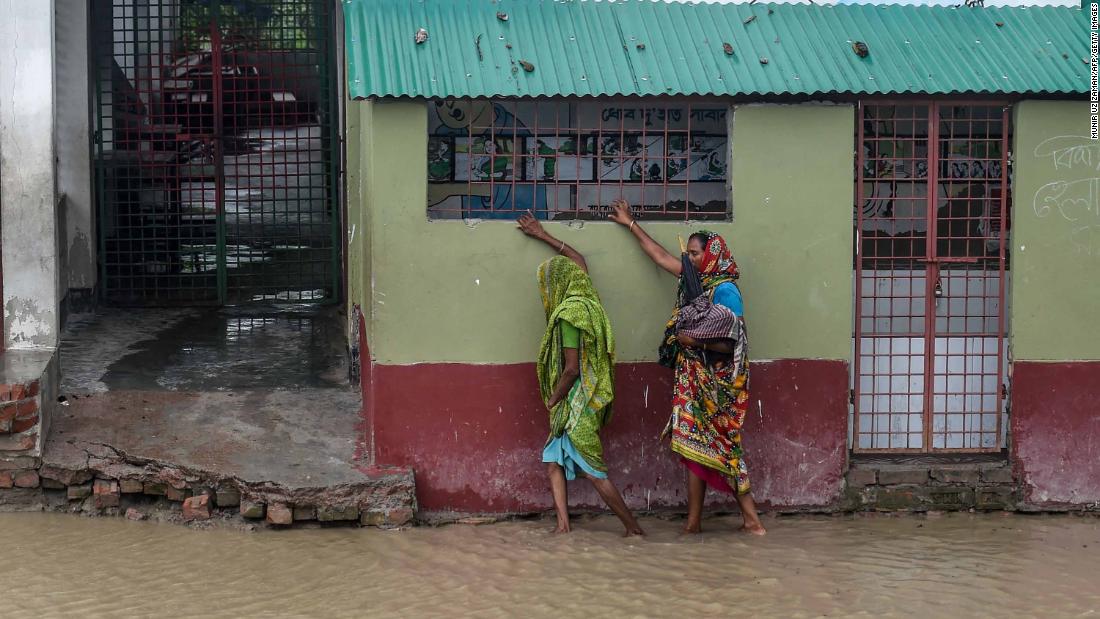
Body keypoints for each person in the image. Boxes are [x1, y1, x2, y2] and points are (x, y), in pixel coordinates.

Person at [609, 199, 766, 536]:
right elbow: (661, 256)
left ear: (711, 256)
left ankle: (752, 520)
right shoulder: (696, 284)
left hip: (718, 386)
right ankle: (693, 524)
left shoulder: (725, 291)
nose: (690, 259)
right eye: (690, 254)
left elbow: (731, 342)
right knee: (694, 447)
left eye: (695, 254)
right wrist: (630, 223)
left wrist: (695, 342)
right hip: (694, 380)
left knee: (726, 447)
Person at [516, 213, 645, 537]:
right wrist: (542, 234)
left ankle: (633, 528)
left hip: (576, 403)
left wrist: (553, 398)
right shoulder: (585, 295)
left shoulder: (569, 317)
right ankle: (563, 526)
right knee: (552, 462)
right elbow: (578, 258)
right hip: (582, 397)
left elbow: (571, 369)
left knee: (594, 471)